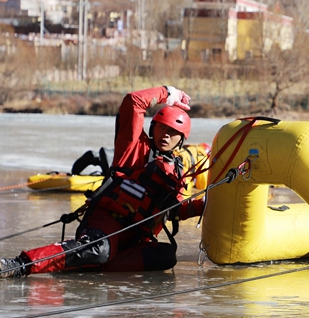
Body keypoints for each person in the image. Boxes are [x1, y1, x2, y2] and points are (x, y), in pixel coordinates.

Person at [1, 86, 205, 278]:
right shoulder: (133, 147)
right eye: (162, 127)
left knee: (166, 256)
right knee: (100, 248)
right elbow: (133, 102)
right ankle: (19, 265)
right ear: (153, 128)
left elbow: (176, 210)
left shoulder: (176, 173)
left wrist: (204, 204)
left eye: (173, 132)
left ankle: (87, 264)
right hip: (105, 222)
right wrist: (168, 93)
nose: (166, 135)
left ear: (182, 139)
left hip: (135, 238)